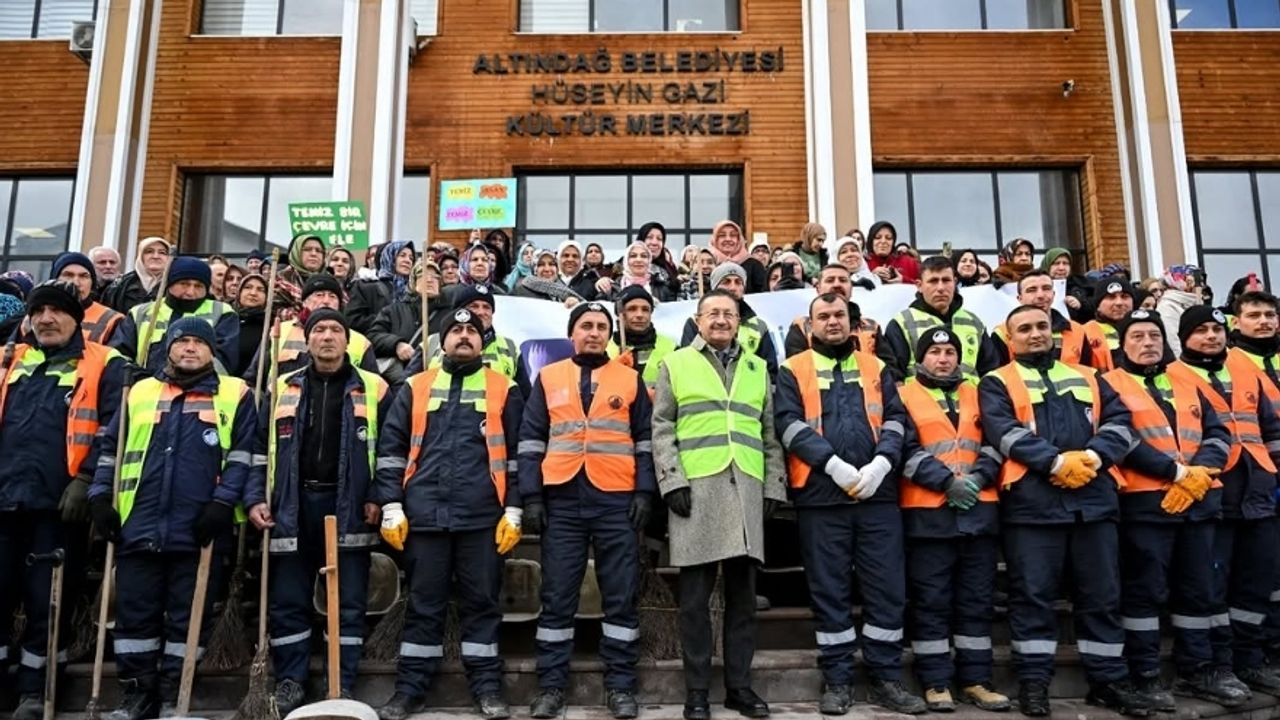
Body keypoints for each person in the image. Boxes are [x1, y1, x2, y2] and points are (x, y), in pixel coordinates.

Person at [978, 305, 1148, 717]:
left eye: (1042, 326)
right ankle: (1034, 683)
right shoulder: (996, 381)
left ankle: (1107, 681)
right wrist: (1055, 463)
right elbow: (1003, 431)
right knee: (1033, 597)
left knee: (1102, 596)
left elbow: (1121, 424)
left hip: (1093, 502)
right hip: (1032, 506)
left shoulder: (1091, 376)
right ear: (1009, 337)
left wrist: (1090, 458)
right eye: (1025, 329)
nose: (1036, 334)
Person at [90, 317, 255, 720]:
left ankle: (173, 697)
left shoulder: (235, 393)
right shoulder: (140, 390)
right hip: (138, 523)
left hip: (199, 527)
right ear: (169, 348)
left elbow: (242, 457)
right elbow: (111, 448)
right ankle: (136, 694)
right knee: (135, 615)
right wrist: (98, 496)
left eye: (200, 343)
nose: (190, 349)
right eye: (183, 342)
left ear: (213, 352)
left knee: (188, 617)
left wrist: (222, 504)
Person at [774, 293, 925, 715]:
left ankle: (886, 678)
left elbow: (897, 420)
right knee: (829, 590)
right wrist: (833, 465)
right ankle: (837, 679)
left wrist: (881, 464)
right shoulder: (793, 369)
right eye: (823, 316)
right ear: (809, 325)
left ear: (852, 322)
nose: (832, 322)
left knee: (886, 588)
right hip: (821, 496)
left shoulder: (876, 367)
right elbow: (787, 424)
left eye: (839, 315)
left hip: (877, 495)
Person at [372, 307, 523, 720]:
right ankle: (409, 690)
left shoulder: (504, 388)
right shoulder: (414, 386)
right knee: (424, 604)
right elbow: (391, 451)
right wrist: (390, 505)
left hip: (482, 518)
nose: (463, 336)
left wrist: (514, 507)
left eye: (471, 331)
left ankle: (487, 688)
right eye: (455, 330)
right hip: (424, 516)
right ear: (442, 341)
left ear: (482, 340)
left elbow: (516, 457)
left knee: (483, 604)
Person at [244, 309, 390, 715]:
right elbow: (258, 450)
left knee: (348, 599)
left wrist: (379, 494)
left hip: (351, 506)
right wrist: (256, 498)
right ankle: (292, 679)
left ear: (349, 341)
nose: (327, 337)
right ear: (307, 341)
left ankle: (340, 681)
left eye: (336, 330)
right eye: (319, 330)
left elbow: (391, 450)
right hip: (291, 506)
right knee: (288, 597)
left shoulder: (375, 388)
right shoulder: (281, 387)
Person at [1100, 309, 1246, 710]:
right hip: (1145, 504)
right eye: (1138, 337)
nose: (1148, 343)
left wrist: (1201, 471)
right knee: (1145, 593)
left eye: (1154, 336)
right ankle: (1145, 674)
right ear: (1122, 344)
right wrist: (1174, 471)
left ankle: (1199, 671)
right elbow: (1122, 439)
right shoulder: (1109, 382)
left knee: (1202, 591)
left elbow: (1219, 431)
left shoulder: (1187, 378)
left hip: (1198, 501)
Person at [653, 290, 786, 720]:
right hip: (696, 493)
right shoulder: (675, 363)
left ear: (739, 322)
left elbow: (768, 434)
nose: (722, 320)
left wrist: (773, 488)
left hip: (746, 490)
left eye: (729, 314)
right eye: (714, 313)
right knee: (694, 602)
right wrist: (671, 481)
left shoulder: (757, 366)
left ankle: (739, 688)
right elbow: (661, 429)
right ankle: (696, 691)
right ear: (698, 319)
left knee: (742, 600)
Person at [519, 301, 654, 720]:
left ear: (609, 335)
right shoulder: (548, 377)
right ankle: (551, 687)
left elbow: (646, 440)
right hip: (561, 498)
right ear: (572, 334)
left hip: (616, 497)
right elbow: (530, 439)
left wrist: (645, 493)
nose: (594, 332)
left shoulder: (631, 380)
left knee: (620, 595)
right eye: (586, 326)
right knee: (557, 595)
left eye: (601, 327)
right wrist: (532, 497)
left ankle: (620, 686)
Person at [0, 282, 126, 720]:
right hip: (5, 498)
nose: (46, 319)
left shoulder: (104, 363)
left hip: (59, 506)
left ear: (76, 318)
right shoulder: (12, 360)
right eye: (39, 312)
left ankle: (37, 692)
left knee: (46, 602)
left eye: (56, 312)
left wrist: (89, 479)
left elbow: (114, 426)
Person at [894, 325, 1011, 713]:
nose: (943, 359)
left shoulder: (979, 391)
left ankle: (976, 680)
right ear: (920, 357)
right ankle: (936, 680)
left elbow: (996, 441)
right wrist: (945, 482)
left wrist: (978, 478)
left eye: (950, 352)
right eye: (935, 352)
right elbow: (903, 448)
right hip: (928, 514)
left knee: (976, 601)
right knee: (932, 601)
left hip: (979, 512)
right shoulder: (903, 394)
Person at [1167, 305, 1280, 695]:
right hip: (1210, 493)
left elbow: (1270, 427)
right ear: (1184, 338)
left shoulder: (1246, 370)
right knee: (1207, 588)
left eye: (1216, 328)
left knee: (1256, 583)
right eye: (1200, 330)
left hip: (1258, 492)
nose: (1211, 336)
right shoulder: (1173, 375)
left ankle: (1248, 661)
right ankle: (1206, 667)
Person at [109, 256, 239, 373]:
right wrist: (134, 377)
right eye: (184, 284)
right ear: (169, 284)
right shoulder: (140, 313)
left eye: (198, 286)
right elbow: (119, 355)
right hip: (145, 391)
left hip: (201, 393)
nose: (191, 292)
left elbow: (224, 360)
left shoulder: (222, 313)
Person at [241, 273, 378, 382]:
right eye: (319, 295)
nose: (326, 301)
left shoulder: (360, 342)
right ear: (305, 302)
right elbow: (254, 379)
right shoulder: (279, 332)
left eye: (332, 296)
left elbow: (373, 386)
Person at [884, 256, 999, 383]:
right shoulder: (902, 323)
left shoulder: (974, 322)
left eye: (946, 280)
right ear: (919, 285)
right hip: (921, 401)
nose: (940, 288)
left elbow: (991, 373)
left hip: (970, 400)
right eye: (933, 281)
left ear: (955, 282)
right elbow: (894, 377)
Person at [679, 262, 778, 378]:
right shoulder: (695, 323)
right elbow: (687, 363)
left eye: (738, 282)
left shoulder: (758, 326)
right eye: (726, 282)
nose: (732, 287)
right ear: (714, 287)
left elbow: (770, 372)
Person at [990, 270, 1101, 369]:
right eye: (1031, 290)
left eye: (1046, 288)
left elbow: (1089, 374)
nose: (1040, 295)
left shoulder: (1077, 331)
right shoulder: (1002, 333)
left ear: (1053, 294)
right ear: (1020, 298)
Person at [410, 284, 522, 383]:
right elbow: (408, 387)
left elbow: (523, 397)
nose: (481, 312)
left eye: (487, 307)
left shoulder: (510, 347)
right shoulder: (431, 344)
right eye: (474, 306)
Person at [369, 260, 445, 385]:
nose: (430, 280)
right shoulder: (394, 311)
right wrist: (396, 344)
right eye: (423, 275)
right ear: (413, 282)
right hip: (400, 382)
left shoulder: (449, 314)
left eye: (435, 277)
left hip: (435, 382)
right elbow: (373, 336)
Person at [783, 264, 883, 358]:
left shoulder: (872, 327)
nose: (837, 284)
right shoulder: (802, 327)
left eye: (843, 280)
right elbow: (796, 368)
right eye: (830, 280)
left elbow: (889, 370)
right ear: (818, 288)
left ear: (851, 288)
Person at [607, 285, 676, 392]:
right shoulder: (605, 349)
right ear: (620, 314)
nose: (640, 315)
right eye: (632, 309)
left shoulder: (672, 348)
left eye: (645, 310)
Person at [46, 251, 125, 344]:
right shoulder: (38, 314)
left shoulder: (112, 320)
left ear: (92, 283)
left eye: (84, 276)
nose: (76, 283)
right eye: (68, 275)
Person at [348, 240, 417, 335]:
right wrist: (387, 319)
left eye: (411, 258)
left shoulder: (414, 292)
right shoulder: (367, 287)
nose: (407, 260)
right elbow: (353, 321)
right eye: (402, 255)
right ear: (389, 257)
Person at [101, 236, 170, 314]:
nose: (156, 256)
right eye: (149, 251)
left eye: (162, 253)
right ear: (140, 256)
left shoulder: (175, 284)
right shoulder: (120, 285)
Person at [1156, 265, 1208, 358]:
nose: (1202, 286)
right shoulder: (1167, 308)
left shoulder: (1191, 304)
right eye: (1197, 282)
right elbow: (1173, 343)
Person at [1083, 280, 1136, 372]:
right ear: (1098, 305)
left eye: (1124, 296)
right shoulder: (1084, 333)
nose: (1119, 303)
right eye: (1111, 297)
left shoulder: (1148, 329)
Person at [708, 220, 768, 294]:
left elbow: (763, 294)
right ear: (715, 239)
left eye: (733, 235)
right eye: (722, 235)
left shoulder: (754, 265)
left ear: (739, 239)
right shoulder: (707, 262)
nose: (728, 239)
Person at [515, 248, 583, 305]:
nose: (547, 269)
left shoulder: (565, 291)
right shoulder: (521, 292)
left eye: (551, 264)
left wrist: (574, 306)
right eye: (541, 264)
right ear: (534, 269)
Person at [232, 273, 269, 378]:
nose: (253, 293)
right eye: (248, 287)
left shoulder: (270, 325)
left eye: (260, 290)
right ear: (239, 292)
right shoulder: (227, 319)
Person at [1041, 248, 1093, 323]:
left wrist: (1081, 305)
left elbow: (1096, 306)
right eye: (1056, 263)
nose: (1061, 268)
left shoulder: (1081, 284)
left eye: (1065, 263)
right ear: (1047, 265)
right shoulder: (1038, 285)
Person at [275, 233, 329, 303]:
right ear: (296, 252)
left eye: (318, 251)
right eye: (307, 249)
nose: (314, 254)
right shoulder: (280, 280)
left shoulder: (330, 281)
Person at [638, 222, 681, 298]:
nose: (654, 243)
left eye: (659, 239)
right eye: (649, 237)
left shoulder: (670, 271)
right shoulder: (624, 267)